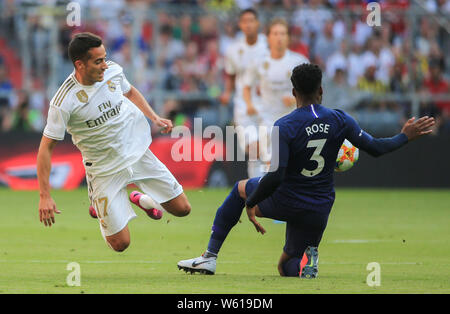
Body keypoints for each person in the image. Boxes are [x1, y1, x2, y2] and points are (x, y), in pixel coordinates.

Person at [177, 63, 435, 278]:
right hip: (320, 206)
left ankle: (209, 257)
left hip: (286, 199)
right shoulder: (340, 119)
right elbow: (377, 148)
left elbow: (276, 175)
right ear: (321, 90)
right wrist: (405, 136)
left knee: (239, 189)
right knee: (286, 265)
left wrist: (251, 203)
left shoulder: (285, 125)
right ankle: (305, 261)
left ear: (293, 91)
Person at [37, 32, 191, 252]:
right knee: (121, 244)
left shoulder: (113, 71)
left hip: (136, 153)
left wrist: (154, 117)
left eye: (104, 58)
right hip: (103, 170)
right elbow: (45, 148)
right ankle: (101, 209)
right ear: (80, 64)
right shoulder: (63, 102)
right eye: (98, 61)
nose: (104, 65)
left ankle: (140, 198)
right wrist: (45, 196)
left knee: (183, 209)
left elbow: (130, 92)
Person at [242, 18, 309, 173]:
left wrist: (295, 99)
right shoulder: (259, 62)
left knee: (290, 166)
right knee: (262, 160)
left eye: (283, 34)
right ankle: (256, 193)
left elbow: (311, 92)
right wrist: (249, 104)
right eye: (276, 33)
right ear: (268, 37)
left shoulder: (299, 61)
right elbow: (246, 87)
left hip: (293, 121)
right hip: (267, 120)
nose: (279, 37)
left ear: (288, 38)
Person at [219, 8, 269, 178]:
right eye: (244, 21)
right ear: (240, 24)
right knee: (253, 148)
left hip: (267, 104)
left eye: (251, 21)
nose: (248, 25)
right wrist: (227, 92)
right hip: (243, 105)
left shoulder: (268, 45)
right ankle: (256, 189)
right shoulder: (233, 50)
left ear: (258, 23)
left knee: (267, 150)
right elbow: (231, 75)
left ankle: (260, 188)